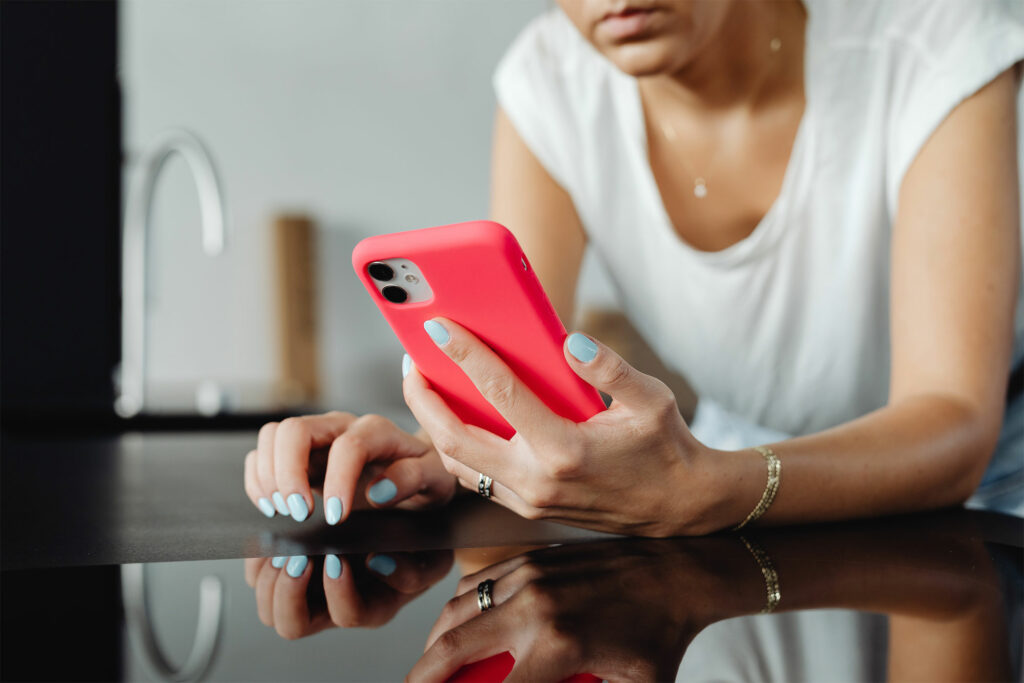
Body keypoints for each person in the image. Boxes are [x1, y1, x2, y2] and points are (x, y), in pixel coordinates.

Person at [243, 0, 1024, 534]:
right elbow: (516, 385)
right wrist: (440, 451)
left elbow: (953, 422)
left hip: (985, 498)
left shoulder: (936, 41)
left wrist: (710, 486)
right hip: (725, 475)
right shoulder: (550, 81)